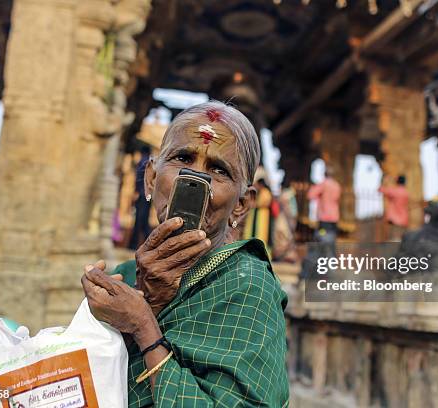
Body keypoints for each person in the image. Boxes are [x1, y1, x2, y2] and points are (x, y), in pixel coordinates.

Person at [80, 101, 289, 407]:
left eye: (219, 170)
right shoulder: (124, 277)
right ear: (151, 178)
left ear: (242, 205)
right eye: (183, 158)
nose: (196, 180)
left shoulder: (249, 285)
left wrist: (143, 324)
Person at [307, 166, 341, 244]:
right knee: (331, 236)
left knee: (322, 236)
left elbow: (310, 195)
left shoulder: (324, 184)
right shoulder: (337, 185)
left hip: (324, 217)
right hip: (334, 217)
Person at [379, 175, 409, 240]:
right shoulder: (406, 192)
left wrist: (383, 181)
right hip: (403, 216)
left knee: (394, 236)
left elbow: (381, 189)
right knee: (400, 235)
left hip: (394, 216)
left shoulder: (395, 191)